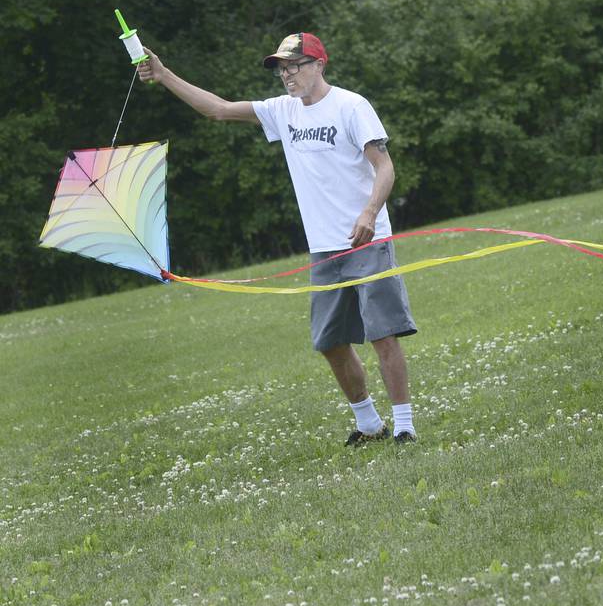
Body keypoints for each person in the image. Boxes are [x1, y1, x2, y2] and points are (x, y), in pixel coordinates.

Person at [136, 32, 418, 444]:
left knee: (383, 334)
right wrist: (163, 75)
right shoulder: (281, 112)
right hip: (323, 248)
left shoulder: (351, 106)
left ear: (319, 64)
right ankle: (369, 424)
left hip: (366, 240)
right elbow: (216, 110)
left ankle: (405, 426)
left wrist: (370, 213)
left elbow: (385, 167)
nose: (287, 75)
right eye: (282, 69)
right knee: (330, 342)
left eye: (295, 65)